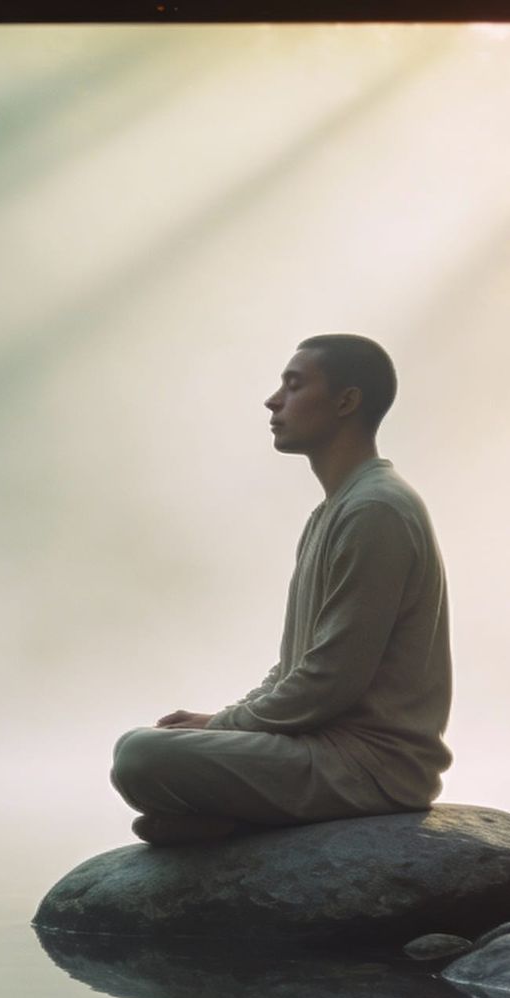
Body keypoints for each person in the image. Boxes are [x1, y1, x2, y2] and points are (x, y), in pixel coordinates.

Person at [110, 334, 452, 845]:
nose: (274, 400)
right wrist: (221, 721)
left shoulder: (375, 511)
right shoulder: (335, 511)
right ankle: (238, 818)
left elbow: (330, 681)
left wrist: (223, 725)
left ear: (345, 401)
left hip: (371, 769)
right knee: (148, 747)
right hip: (324, 753)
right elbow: (295, 668)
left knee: (140, 754)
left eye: (293, 386)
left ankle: (239, 819)